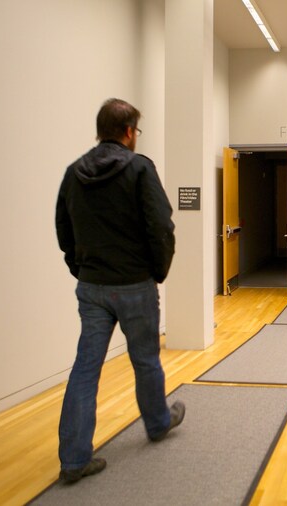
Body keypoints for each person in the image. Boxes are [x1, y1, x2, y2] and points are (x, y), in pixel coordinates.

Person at [54, 98, 184, 484]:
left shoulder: (74, 172)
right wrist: (157, 271)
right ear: (129, 131)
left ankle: (74, 460)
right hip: (133, 285)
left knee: (85, 368)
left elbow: (64, 228)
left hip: (92, 287)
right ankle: (158, 423)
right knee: (145, 359)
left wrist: (80, 268)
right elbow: (161, 225)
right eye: (136, 131)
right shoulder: (139, 168)